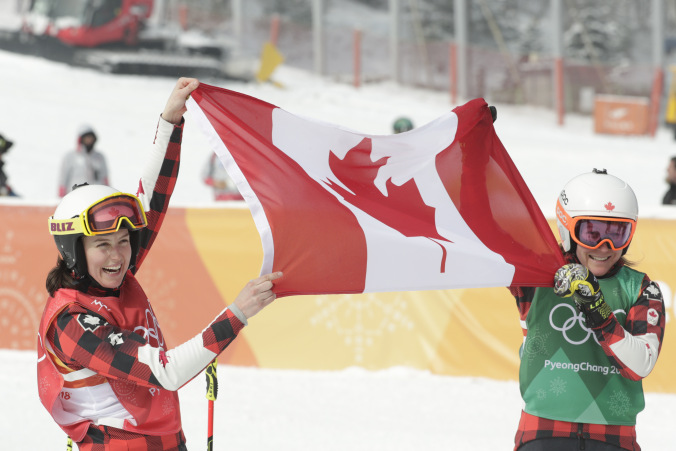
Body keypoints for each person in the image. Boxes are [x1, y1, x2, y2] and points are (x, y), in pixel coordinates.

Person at [38, 78, 283, 450]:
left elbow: (151, 199)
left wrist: (170, 121)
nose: (118, 255)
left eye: (124, 242)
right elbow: (164, 371)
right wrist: (238, 313)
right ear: (73, 250)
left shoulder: (116, 279)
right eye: (103, 245)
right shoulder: (71, 323)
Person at [509, 168, 666, 451]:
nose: (604, 247)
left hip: (612, 438)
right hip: (543, 432)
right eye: (592, 232)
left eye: (616, 234)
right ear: (567, 227)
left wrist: (596, 308)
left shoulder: (641, 289)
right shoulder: (537, 276)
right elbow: (486, 234)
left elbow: (639, 364)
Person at [58, 124, 110, 197]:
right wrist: (61, 197)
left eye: (91, 138)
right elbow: (63, 179)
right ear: (81, 139)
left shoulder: (99, 157)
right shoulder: (70, 157)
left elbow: (105, 178)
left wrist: (108, 194)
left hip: (96, 197)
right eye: (86, 138)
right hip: (76, 197)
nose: (89, 140)